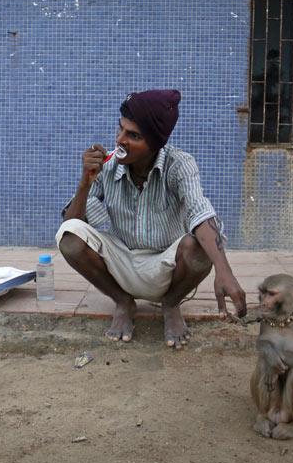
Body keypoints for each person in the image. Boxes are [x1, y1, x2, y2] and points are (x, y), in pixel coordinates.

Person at [56, 89, 246, 348]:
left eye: (133, 135)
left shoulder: (179, 165)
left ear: (156, 144)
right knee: (69, 236)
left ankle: (170, 305)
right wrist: (85, 183)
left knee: (199, 247)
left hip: (167, 268)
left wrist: (224, 272)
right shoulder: (107, 167)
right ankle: (123, 302)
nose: (120, 140)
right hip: (121, 263)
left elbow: (201, 213)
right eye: (120, 129)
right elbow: (72, 222)